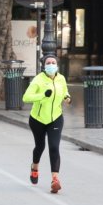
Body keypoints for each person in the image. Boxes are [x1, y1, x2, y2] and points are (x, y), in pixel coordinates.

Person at [22, 54, 71, 194]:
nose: (51, 64)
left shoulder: (61, 78)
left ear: (57, 65)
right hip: (37, 119)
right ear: (44, 65)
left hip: (56, 118)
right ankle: (35, 167)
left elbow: (65, 92)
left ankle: (55, 180)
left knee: (54, 147)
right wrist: (43, 96)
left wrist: (67, 97)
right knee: (40, 146)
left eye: (53, 62)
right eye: (48, 63)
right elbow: (26, 97)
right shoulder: (38, 80)